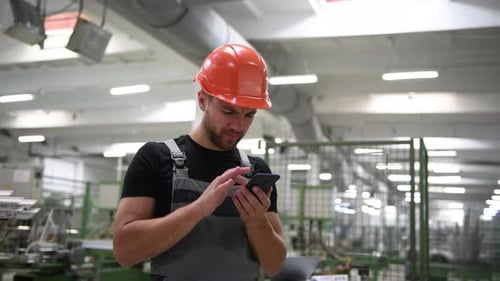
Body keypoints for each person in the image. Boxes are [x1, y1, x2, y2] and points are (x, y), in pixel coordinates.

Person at [112, 43, 287, 281]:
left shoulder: (256, 171)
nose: (238, 126)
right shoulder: (155, 158)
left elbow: (275, 265)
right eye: (229, 111)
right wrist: (198, 209)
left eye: (249, 115)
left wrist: (257, 222)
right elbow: (124, 252)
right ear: (203, 100)